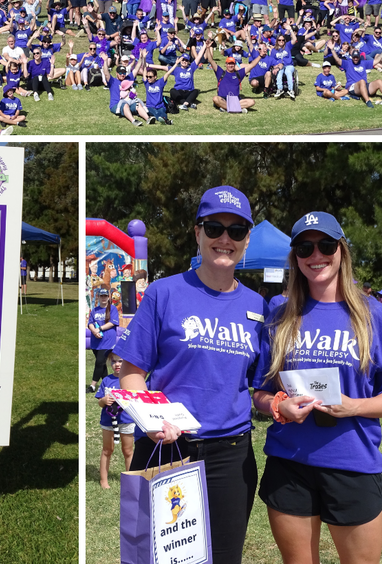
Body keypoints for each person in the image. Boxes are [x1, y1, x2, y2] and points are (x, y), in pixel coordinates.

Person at [117, 185, 269, 564]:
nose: (224, 239)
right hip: (167, 448)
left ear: (246, 240)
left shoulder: (257, 306)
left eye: (236, 231)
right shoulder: (163, 293)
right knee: (153, 557)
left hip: (230, 457)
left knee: (222, 558)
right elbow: (132, 372)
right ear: (197, 232)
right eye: (214, 227)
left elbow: (261, 385)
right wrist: (152, 421)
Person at [253, 211, 382, 564]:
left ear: (342, 250)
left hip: (352, 464)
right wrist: (279, 406)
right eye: (305, 248)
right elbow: (259, 392)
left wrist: (352, 406)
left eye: (326, 244)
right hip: (289, 464)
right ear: (295, 257)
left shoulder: (376, 316)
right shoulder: (280, 315)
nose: (316, 255)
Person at [96, 352, 135, 489]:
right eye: (114, 362)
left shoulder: (130, 380)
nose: (117, 364)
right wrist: (104, 401)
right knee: (107, 450)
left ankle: (130, 481)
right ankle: (103, 480)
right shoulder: (106, 380)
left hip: (127, 420)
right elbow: (100, 402)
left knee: (128, 451)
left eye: (121, 361)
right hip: (108, 422)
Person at [87, 287, 119, 393]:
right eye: (101, 296)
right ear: (98, 297)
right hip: (96, 341)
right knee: (102, 364)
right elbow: (90, 323)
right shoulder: (95, 310)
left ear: (108, 297)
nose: (103, 298)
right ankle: (107, 385)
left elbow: (112, 323)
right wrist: (95, 331)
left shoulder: (112, 309)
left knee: (99, 362)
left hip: (107, 341)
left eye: (105, 296)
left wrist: (99, 329)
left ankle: (92, 386)